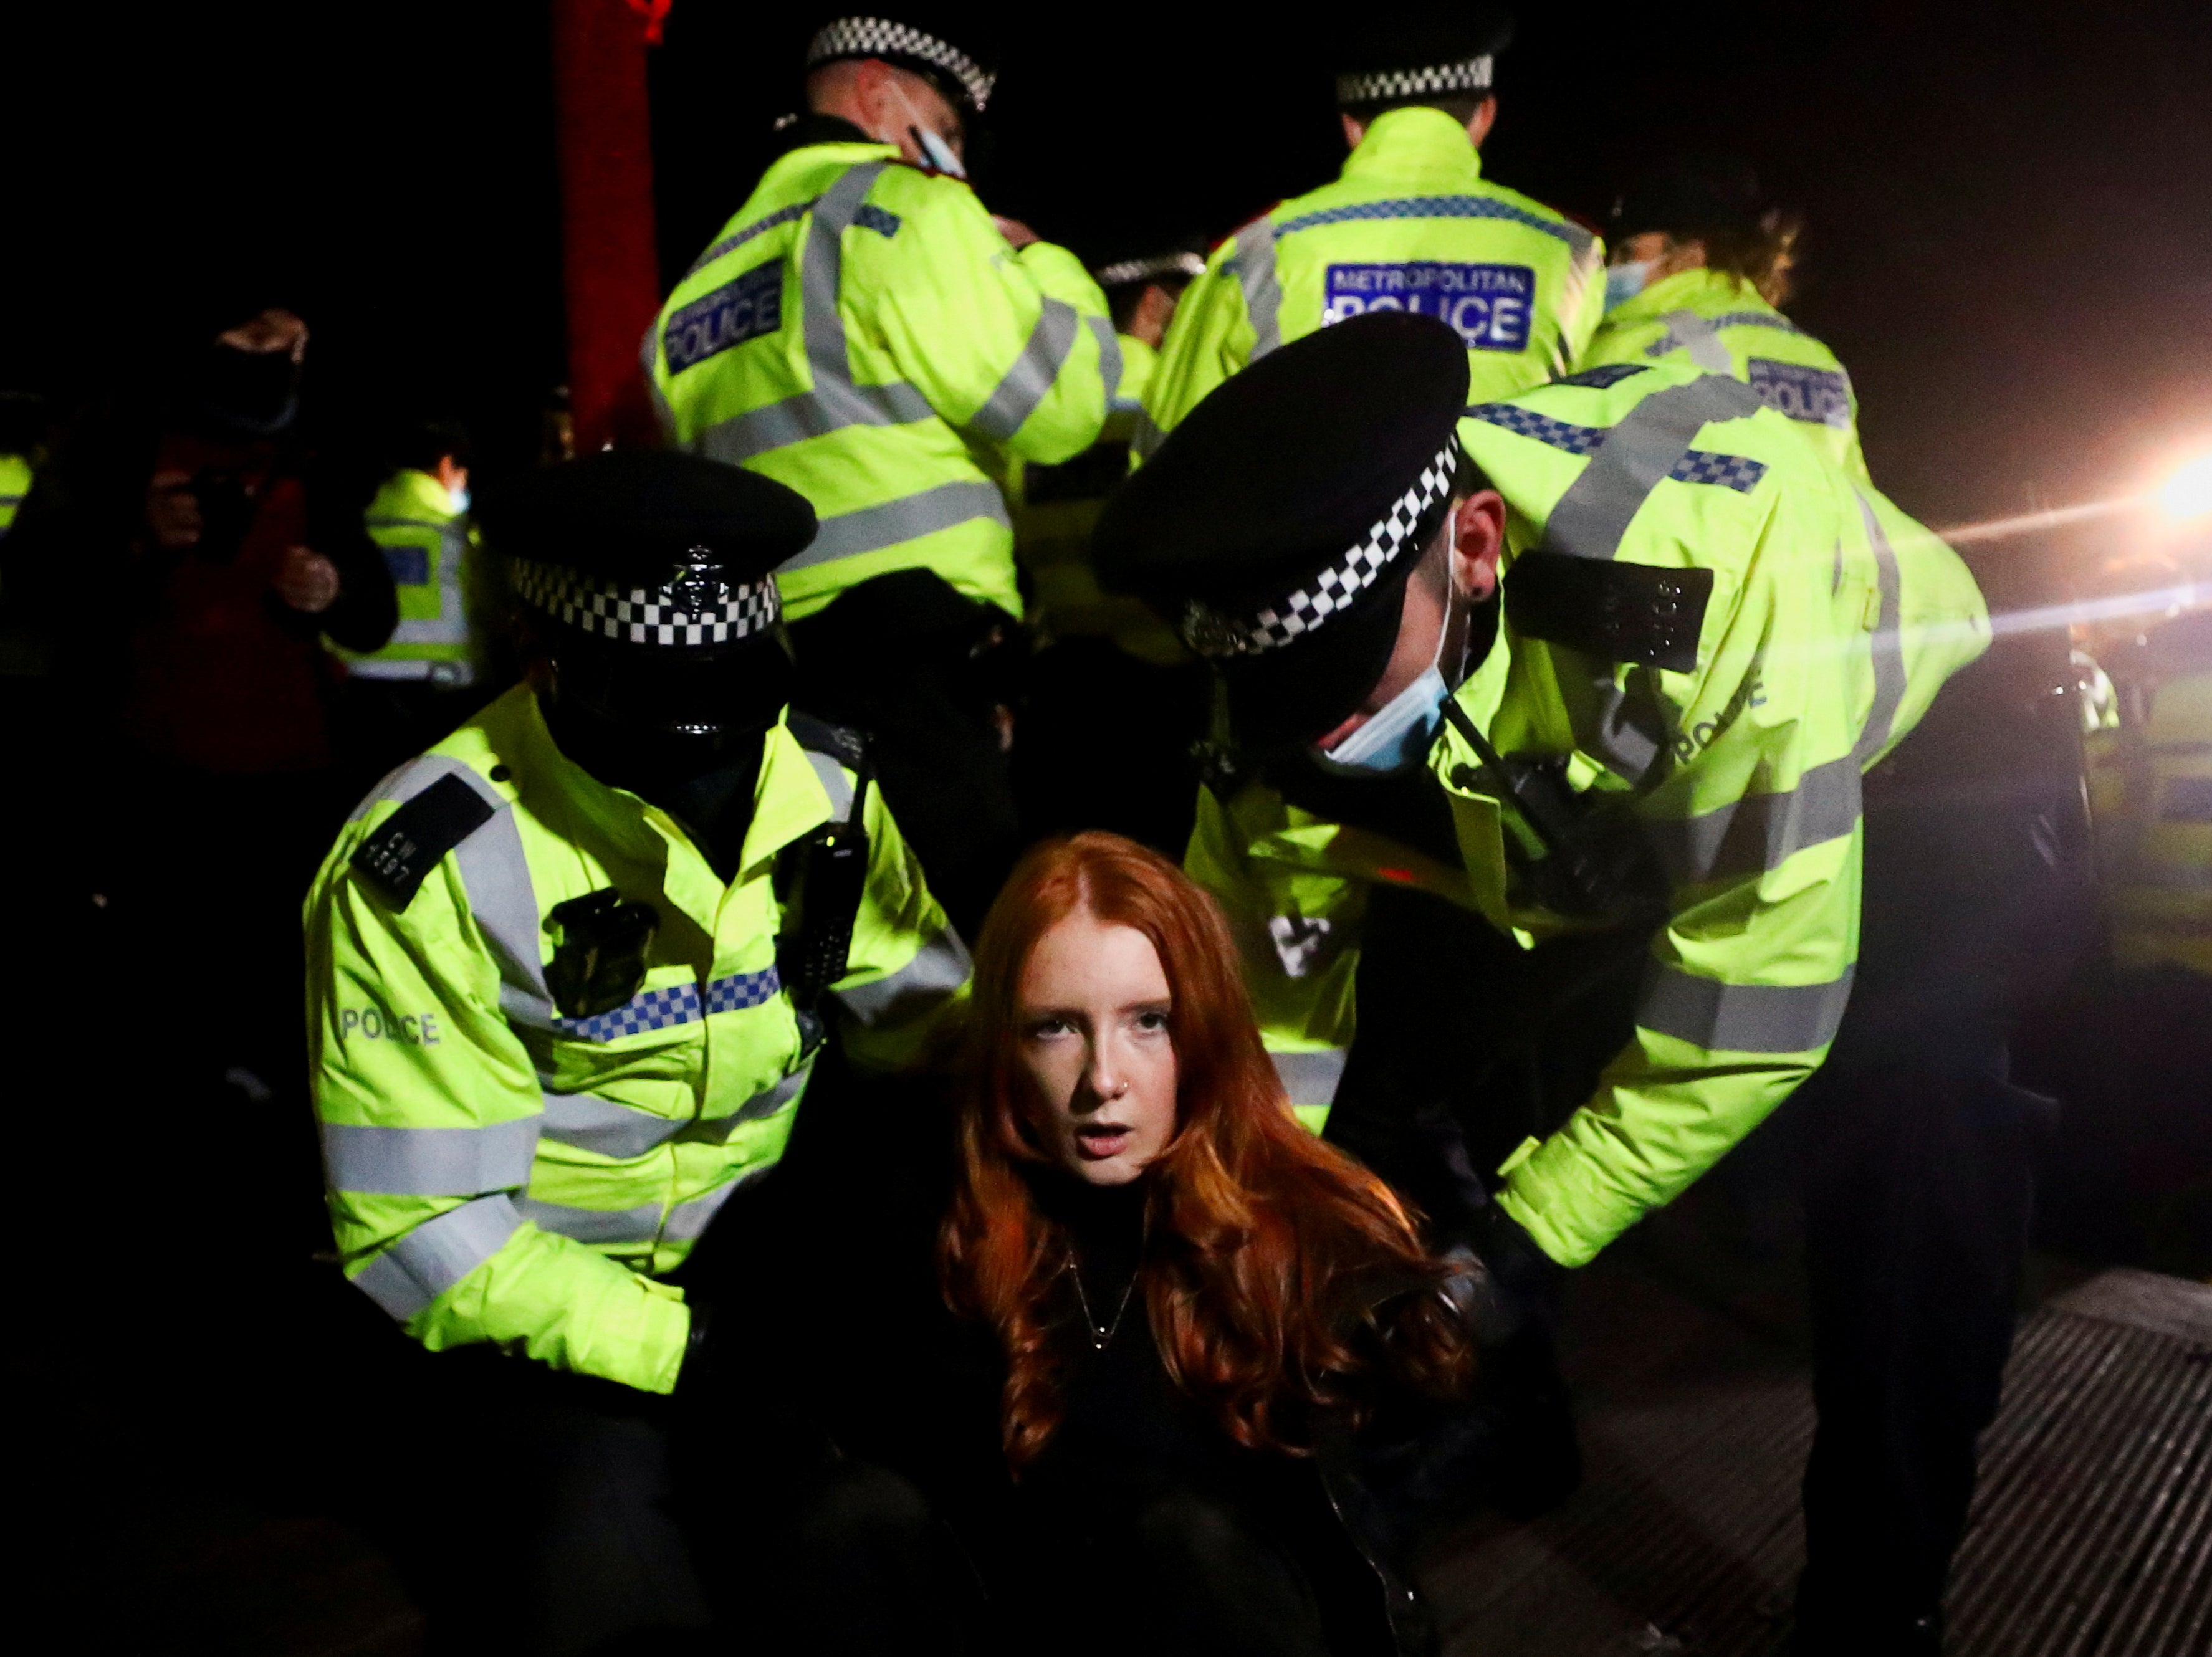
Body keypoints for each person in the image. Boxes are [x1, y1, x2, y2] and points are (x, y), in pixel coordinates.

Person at [1093, 313, 1999, 1549]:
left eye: (1353, 685)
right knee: (1398, 1095)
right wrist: (1225, 1224)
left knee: (1909, 1184)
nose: (1322, 737)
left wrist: (1523, 1240)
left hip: (1897, 763)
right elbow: (1267, 996)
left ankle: (1876, 1596)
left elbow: (1749, 1001)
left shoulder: (1710, 587)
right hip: (1575, 808)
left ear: (1471, 545)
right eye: (1287, 707)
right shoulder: (1294, 667)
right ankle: (1492, 1421)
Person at [304, 449, 972, 1653]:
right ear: (543, 655)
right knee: (615, 1594)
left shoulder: (822, 781)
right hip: (543, 1321)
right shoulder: (430, 860)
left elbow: (937, 1031)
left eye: (732, 714)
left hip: (770, 1272)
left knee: (903, 1542)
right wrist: (691, 1349)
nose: (709, 768)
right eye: (661, 728)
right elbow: (420, 1225)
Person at [797, 831, 1484, 1656]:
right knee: (852, 1514)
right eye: (1056, 1028)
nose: (1103, 1079)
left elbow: (1352, 1565)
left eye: (1147, 1022)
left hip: (1230, 1630)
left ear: (1201, 1029)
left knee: (1185, 1543)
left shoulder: (1306, 1231)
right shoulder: (932, 1212)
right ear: (1005, 1044)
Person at [644, 8, 1121, 938]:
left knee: (835, 958)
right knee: (970, 961)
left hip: (767, 685)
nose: (951, 154)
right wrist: (1042, 263)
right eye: (942, 125)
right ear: (878, 94)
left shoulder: (694, 291)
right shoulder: (906, 210)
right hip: (918, 675)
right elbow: (1063, 410)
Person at [1139, 4, 1604, 459]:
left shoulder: (1258, 251)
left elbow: (1170, 446)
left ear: (1351, 127)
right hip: (1493, 534)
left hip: (1315, 535)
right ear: (1484, 114)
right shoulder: (1571, 252)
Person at [1008, 241, 1210, 854]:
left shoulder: (1043, 411)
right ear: (1153, 305)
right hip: (1159, 703)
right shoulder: (1172, 402)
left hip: (1062, 693)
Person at [1581, 155, 1869, 480]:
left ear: (1691, 254)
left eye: (1628, 253)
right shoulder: (1819, 361)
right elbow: (1857, 500)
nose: (1612, 270)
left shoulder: (1629, 345)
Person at [332, 418, 489, 785]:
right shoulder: (459, 530)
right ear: (448, 465)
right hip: (443, 698)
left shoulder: (355, 524)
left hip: (358, 692)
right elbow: (488, 606)